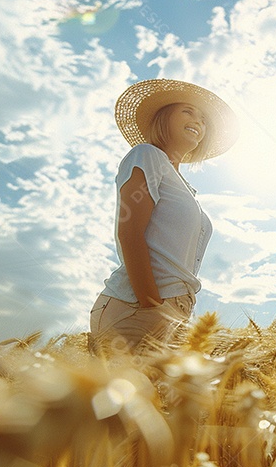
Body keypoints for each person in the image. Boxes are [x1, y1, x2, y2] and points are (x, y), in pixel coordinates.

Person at [88, 78, 238, 355]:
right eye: (188, 111)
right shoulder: (147, 155)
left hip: (174, 312)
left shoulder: (185, 187)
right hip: (137, 309)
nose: (198, 121)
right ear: (164, 117)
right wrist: (151, 303)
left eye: (203, 118)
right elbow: (129, 232)